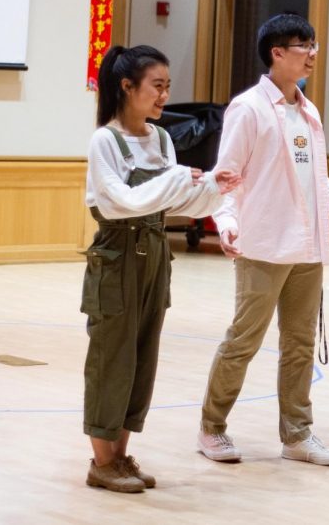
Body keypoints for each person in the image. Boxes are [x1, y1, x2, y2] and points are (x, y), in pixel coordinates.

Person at [197, 14, 329, 466]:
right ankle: (212, 427)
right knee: (243, 340)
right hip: (263, 244)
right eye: (302, 45)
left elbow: (318, 182)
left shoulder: (309, 112)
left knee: (300, 343)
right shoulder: (248, 108)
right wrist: (226, 223)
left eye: (313, 44)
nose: (311, 53)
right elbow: (227, 176)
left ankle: (297, 434)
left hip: (307, 246)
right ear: (276, 53)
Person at [82, 45, 240, 493]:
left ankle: (121, 456)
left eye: (168, 86)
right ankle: (101, 462)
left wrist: (211, 186)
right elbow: (122, 203)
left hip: (155, 253)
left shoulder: (162, 138)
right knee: (111, 357)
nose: (164, 96)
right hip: (116, 256)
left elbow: (175, 203)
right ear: (127, 87)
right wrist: (177, 179)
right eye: (157, 86)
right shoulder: (105, 141)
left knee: (142, 356)